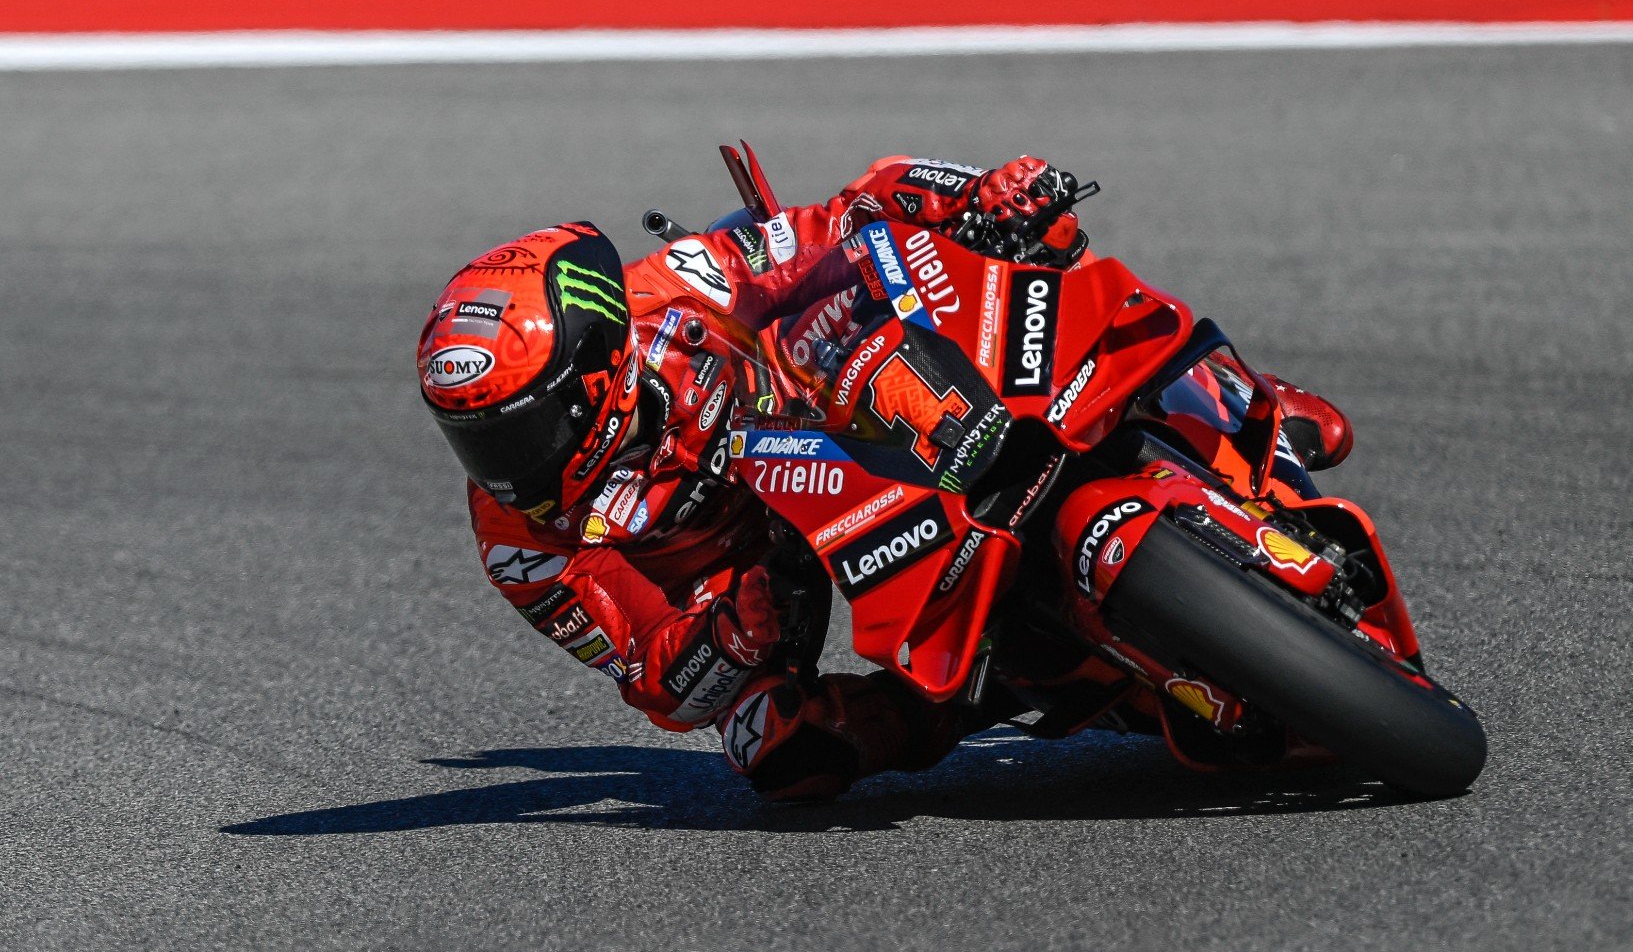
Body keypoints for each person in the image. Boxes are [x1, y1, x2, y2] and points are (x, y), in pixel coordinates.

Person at [415, 155, 1354, 801]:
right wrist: (724, 642)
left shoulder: (674, 292)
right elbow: (654, 677)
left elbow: (838, 219)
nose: (503, 467)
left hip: (820, 417)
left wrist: (974, 197)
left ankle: (1224, 387)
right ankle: (1007, 684)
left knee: (1039, 243)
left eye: (519, 429)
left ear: (596, 364)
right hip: (757, 579)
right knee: (785, 758)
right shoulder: (519, 544)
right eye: (477, 441)